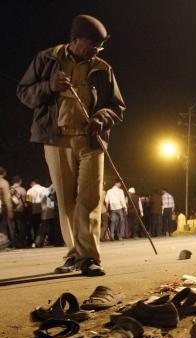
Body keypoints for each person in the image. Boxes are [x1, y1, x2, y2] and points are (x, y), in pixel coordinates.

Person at [17, 14, 125, 276]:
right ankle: (74, 252)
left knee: (89, 198)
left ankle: (88, 257)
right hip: (57, 140)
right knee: (66, 201)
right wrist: (49, 86)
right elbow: (24, 92)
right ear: (75, 40)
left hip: (91, 140)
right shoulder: (47, 59)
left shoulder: (103, 68)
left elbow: (117, 107)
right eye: (92, 45)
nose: (96, 51)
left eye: (99, 47)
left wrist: (101, 118)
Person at [26, 180, 48, 244]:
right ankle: (44, 240)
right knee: (44, 227)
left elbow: (29, 202)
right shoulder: (44, 189)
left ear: (31, 184)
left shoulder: (30, 190)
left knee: (36, 227)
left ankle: (37, 241)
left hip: (34, 211)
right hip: (45, 210)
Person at [9, 176, 28, 248]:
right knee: (21, 227)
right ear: (20, 181)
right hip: (20, 210)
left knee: (12, 228)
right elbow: (28, 200)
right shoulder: (22, 189)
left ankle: (13, 243)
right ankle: (22, 243)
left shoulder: (9, 189)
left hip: (10, 211)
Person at [0, 167, 13, 250]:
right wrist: (10, 210)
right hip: (2, 207)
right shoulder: (4, 182)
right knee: (3, 226)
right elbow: (7, 197)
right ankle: (3, 245)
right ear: (3, 173)